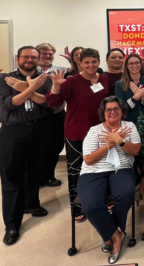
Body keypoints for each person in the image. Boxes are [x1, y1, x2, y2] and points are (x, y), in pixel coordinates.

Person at [0, 46, 52, 245]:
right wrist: (31, 88)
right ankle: (12, 225)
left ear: (38, 59)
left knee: (36, 171)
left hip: (40, 129)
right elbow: (10, 103)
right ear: (18, 59)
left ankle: (31, 204)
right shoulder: (3, 80)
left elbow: (48, 103)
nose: (29, 60)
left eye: (33, 57)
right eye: (25, 56)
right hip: (12, 131)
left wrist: (25, 89)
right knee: (12, 177)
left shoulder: (46, 79)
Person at [47, 48, 111, 223]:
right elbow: (53, 102)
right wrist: (56, 85)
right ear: (80, 63)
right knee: (77, 171)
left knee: (101, 168)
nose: (91, 65)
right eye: (87, 62)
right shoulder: (72, 81)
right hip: (77, 133)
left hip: (101, 133)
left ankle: (100, 201)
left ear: (99, 62)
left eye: (94, 62)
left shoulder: (104, 79)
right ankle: (78, 207)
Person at [79, 96, 141, 264]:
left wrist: (120, 140)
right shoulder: (94, 130)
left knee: (127, 193)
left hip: (121, 168)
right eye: (109, 110)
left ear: (122, 111)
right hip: (93, 171)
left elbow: (135, 151)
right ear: (103, 113)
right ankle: (115, 234)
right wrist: (111, 143)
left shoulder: (130, 126)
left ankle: (109, 233)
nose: (113, 112)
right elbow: (89, 159)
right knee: (90, 205)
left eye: (116, 108)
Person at [115, 53, 144, 204]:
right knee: (134, 159)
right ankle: (138, 185)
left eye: (137, 63)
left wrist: (143, 98)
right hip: (130, 127)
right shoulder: (120, 85)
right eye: (131, 63)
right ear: (126, 66)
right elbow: (121, 109)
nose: (134, 65)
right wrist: (134, 97)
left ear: (141, 64)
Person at [35, 43, 67, 187]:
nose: (48, 56)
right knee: (39, 147)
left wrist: (72, 60)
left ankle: (50, 175)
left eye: (50, 53)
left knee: (56, 146)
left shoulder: (62, 69)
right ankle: (39, 177)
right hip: (37, 115)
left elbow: (79, 73)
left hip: (57, 114)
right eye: (44, 53)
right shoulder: (30, 70)